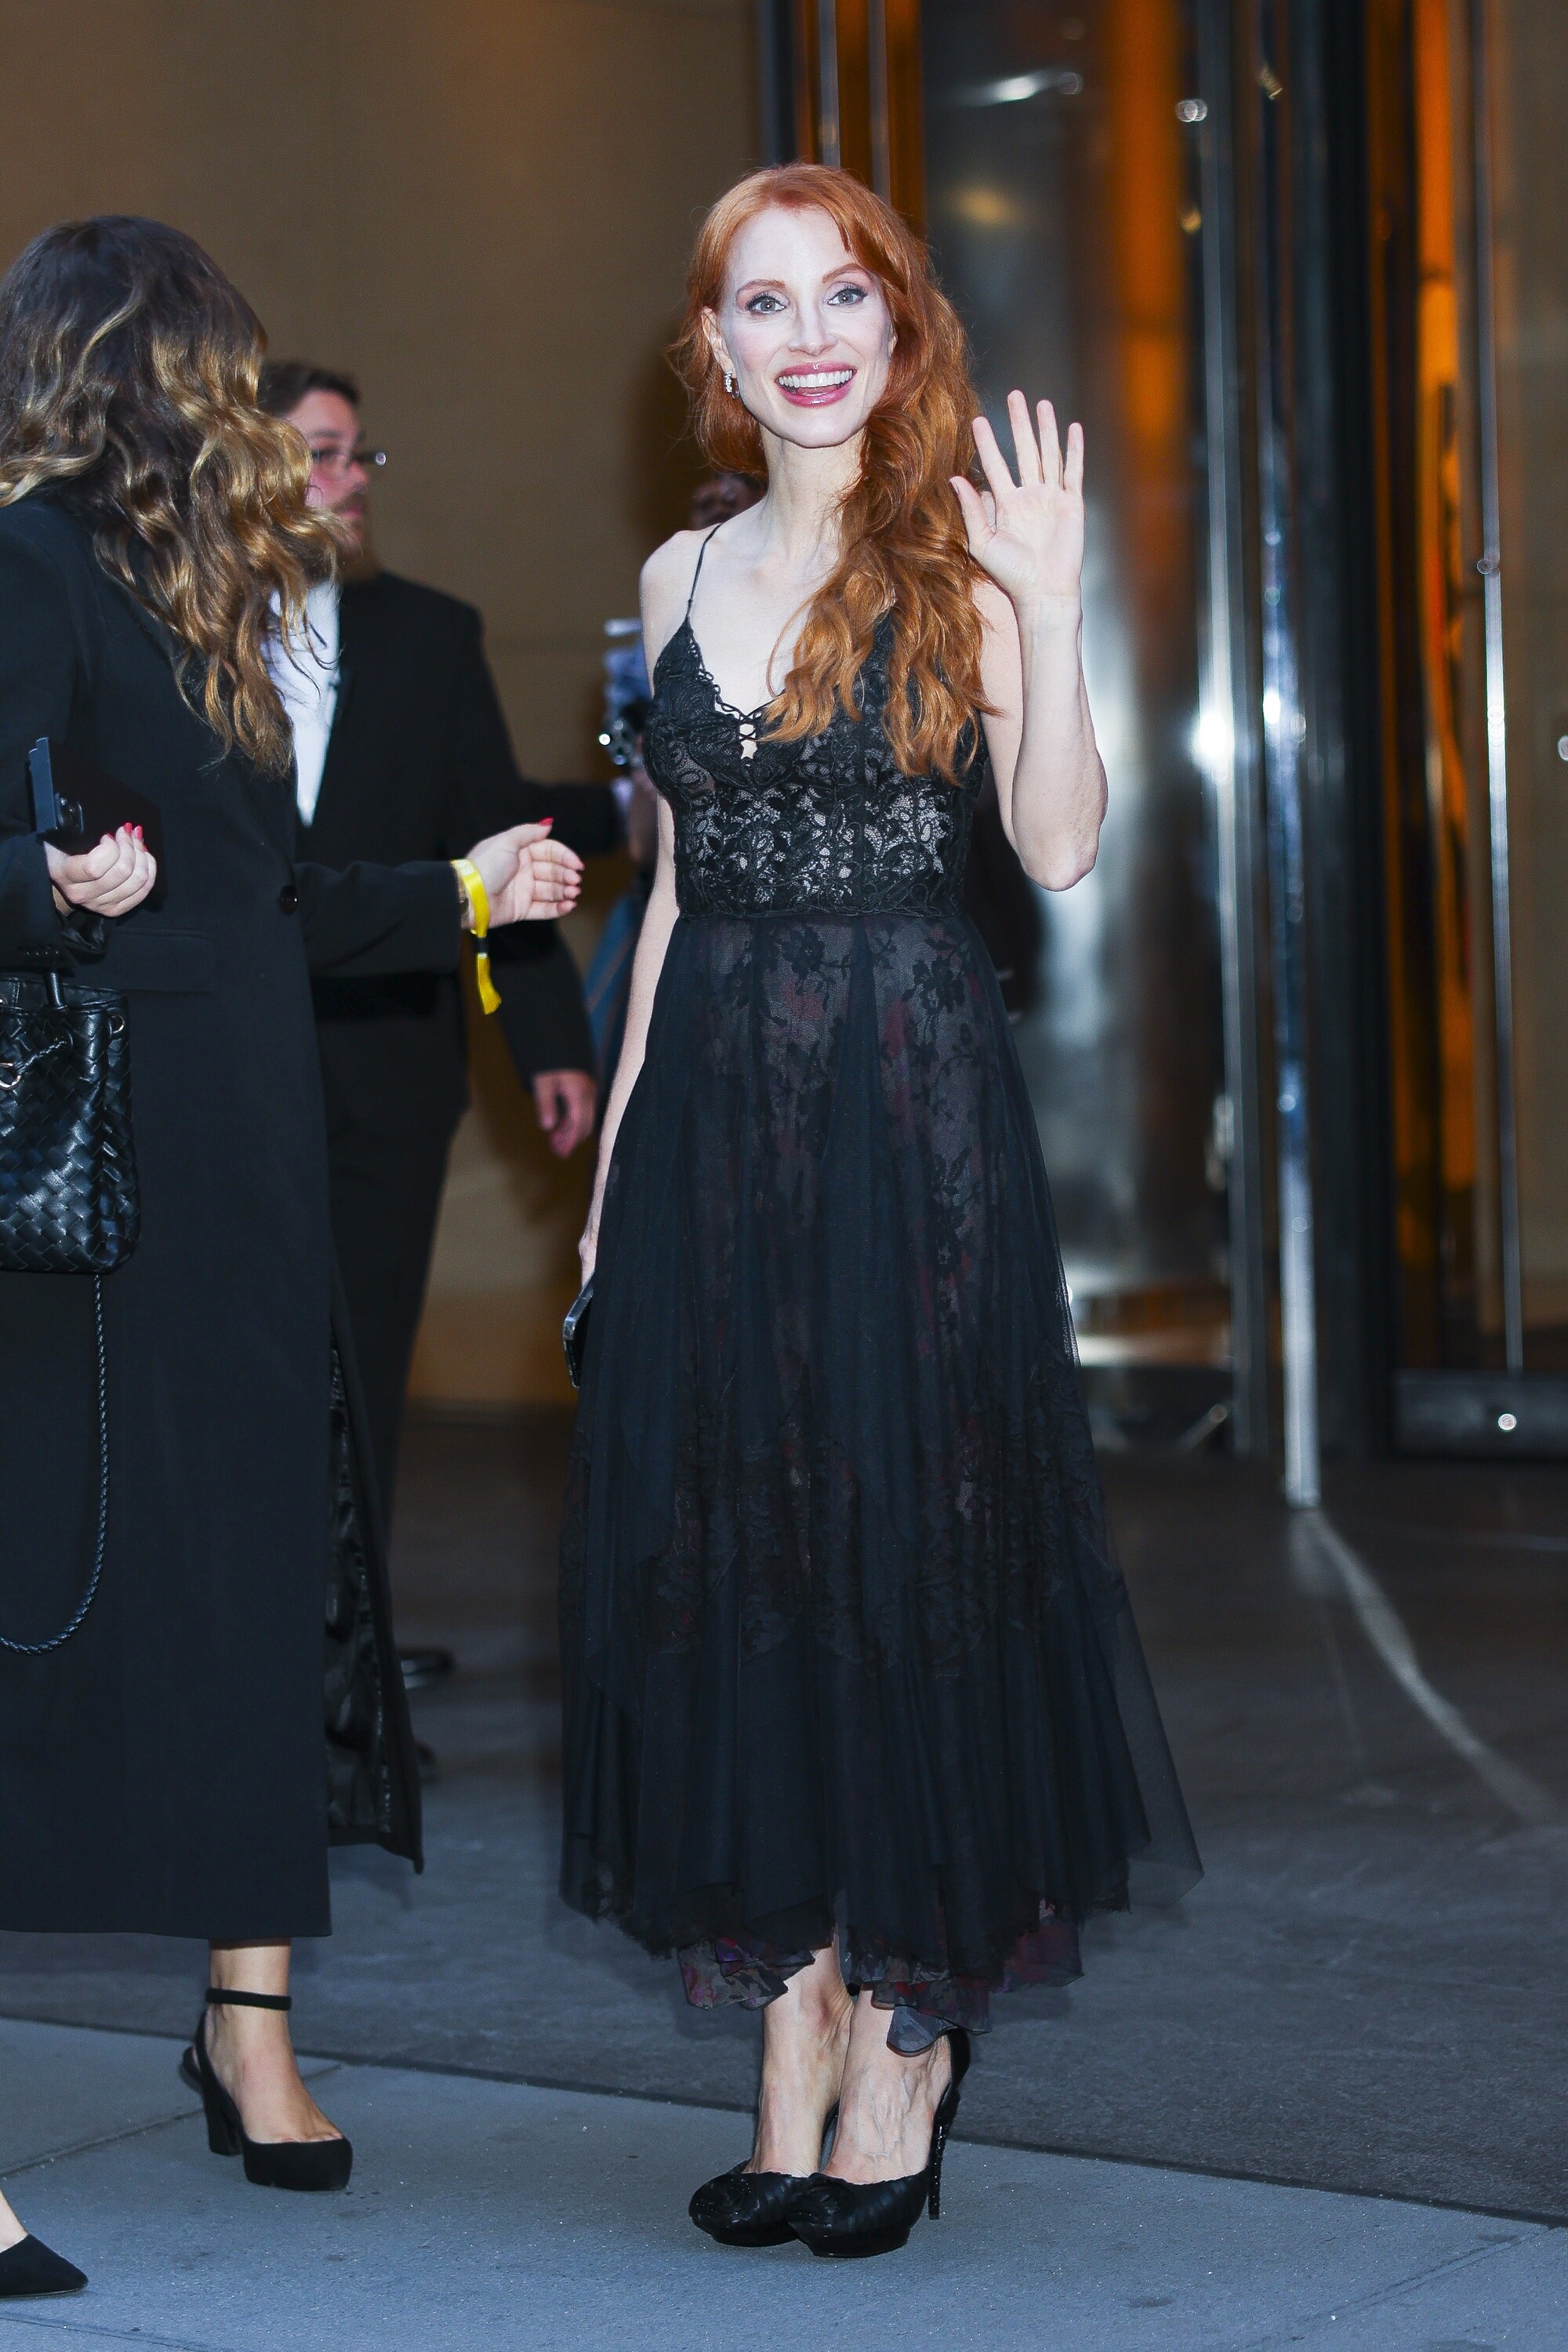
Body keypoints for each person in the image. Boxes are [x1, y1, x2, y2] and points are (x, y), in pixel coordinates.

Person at [558, 163, 1200, 2261]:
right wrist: (613, 1187)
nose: (810, 335)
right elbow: (673, 901)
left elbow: (1062, 847)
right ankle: (796, 2024)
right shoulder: (676, 570)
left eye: (846, 294)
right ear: (715, 348)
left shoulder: (962, 552)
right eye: (765, 303)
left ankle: (910, 2035)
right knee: (741, 1563)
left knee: (912, 1554)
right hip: (713, 1133)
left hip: (911, 1128)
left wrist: (1055, 603)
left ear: (900, 326)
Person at [0, 216, 581, 2293]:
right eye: (212, 368)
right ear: (128, 371)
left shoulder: (207, 587)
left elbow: (252, 900)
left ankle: (248, 2030)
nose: (240, 407)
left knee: (255, 1602)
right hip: (89, 1206)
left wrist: (460, 894)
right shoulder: (27, 562)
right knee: (47, 1627)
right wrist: (44, 880)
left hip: (246, 1193)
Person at [256, 361, 615, 1530]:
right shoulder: (180, 631)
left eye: (358, 453)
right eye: (320, 454)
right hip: (229, 1072)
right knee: (240, 1369)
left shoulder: (433, 636)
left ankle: (351, 1626)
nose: (352, 478)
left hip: (392, 1069)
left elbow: (491, 841)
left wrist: (548, 1040)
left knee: (364, 1373)